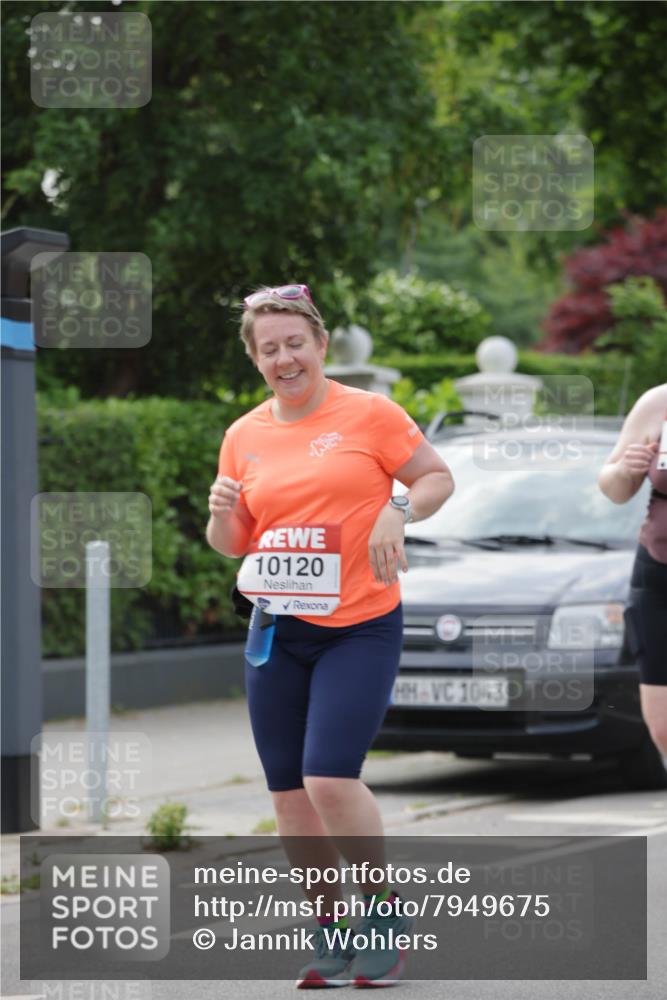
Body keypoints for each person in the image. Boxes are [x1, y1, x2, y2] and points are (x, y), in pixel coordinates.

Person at [206, 284, 454, 987]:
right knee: (288, 794)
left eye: (295, 343)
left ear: (319, 344)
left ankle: (381, 912)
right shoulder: (243, 435)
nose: (284, 358)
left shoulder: (369, 413)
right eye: (269, 349)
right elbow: (234, 542)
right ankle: (330, 930)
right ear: (255, 359)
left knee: (328, 778)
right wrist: (221, 512)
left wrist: (397, 508)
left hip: (359, 627)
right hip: (276, 630)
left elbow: (436, 477)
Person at [598, 382, 667, 758]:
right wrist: (625, 469)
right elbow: (613, 487)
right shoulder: (658, 402)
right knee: (663, 727)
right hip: (658, 576)